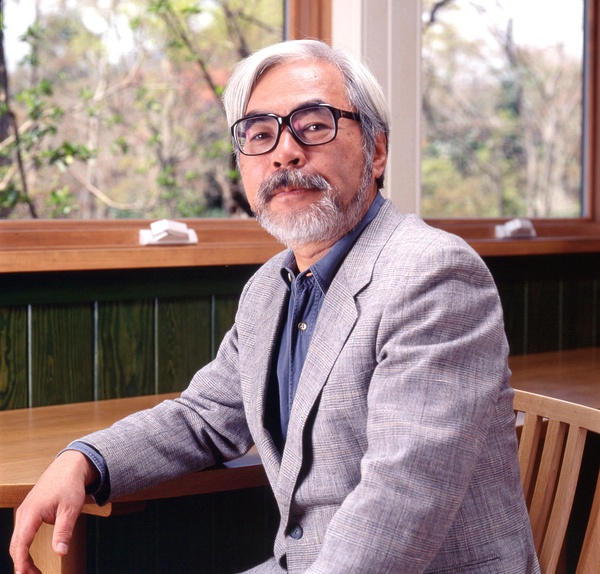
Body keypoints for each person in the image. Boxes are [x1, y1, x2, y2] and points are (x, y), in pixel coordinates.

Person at [10, 39, 541, 574]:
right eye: (260, 134)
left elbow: (399, 504)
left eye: (313, 126)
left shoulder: (434, 274)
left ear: (376, 151)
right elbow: (205, 417)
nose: (285, 152)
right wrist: (85, 459)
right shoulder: (271, 286)